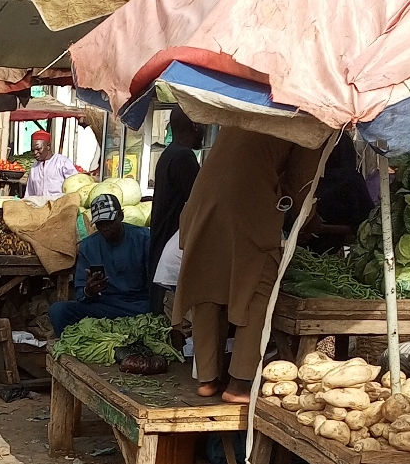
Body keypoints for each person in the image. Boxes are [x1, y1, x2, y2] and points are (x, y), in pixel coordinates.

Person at [173, 127, 316, 402]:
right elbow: (302, 186)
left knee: (208, 286)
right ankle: (239, 384)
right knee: (257, 288)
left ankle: (207, 379)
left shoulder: (253, 109)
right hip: (247, 206)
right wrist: (311, 221)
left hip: (203, 203)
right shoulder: (311, 123)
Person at [48, 192, 152, 333]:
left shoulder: (144, 238)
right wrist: (89, 291)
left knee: (154, 309)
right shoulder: (88, 246)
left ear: (121, 216)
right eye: (100, 224)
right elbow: (81, 293)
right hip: (104, 305)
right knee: (58, 310)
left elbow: (156, 284)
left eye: (109, 222)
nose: (105, 228)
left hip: (137, 306)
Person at [147, 108, 203, 293]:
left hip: (161, 244)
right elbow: (199, 203)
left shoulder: (169, 153)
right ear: (195, 126)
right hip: (171, 247)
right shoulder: (184, 157)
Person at [22, 128, 68, 202]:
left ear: (48, 146)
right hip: (39, 207)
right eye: (33, 150)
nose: (35, 153)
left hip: (59, 206)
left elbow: (74, 186)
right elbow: (29, 193)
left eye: (38, 149)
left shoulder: (63, 162)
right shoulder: (34, 167)